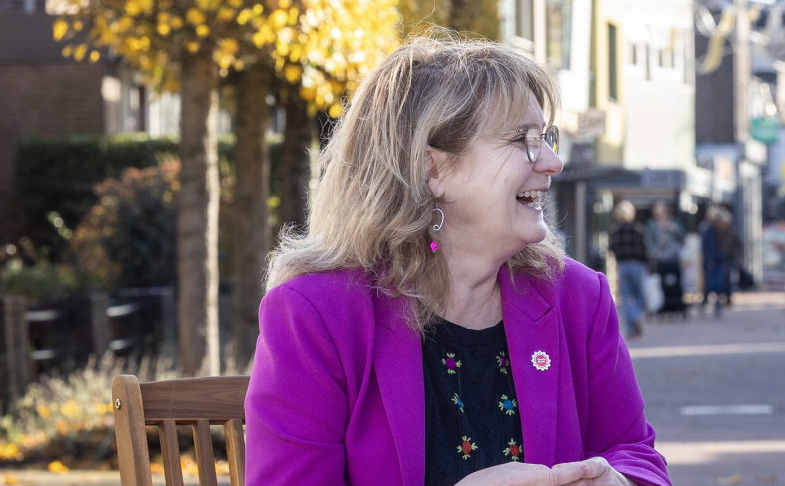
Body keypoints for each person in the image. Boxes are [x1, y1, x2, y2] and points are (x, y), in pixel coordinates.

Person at [247, 37, 669, 486]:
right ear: (433, 170)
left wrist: (616, 481)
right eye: (523, 140)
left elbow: (636, 454)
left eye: (545, 138)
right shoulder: (316, 315)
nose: (552, 161)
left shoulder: (577, 298)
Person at [608, 201, 649, 338]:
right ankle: (636, 316)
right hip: (637, 264)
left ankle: (631, 329)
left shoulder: (615, 231)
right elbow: (645, 248)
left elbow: (611, 249)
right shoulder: (638, 229)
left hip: (623, 265)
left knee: (625, 297)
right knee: (638, 295)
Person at [646, 203, 689, 318]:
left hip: (674, 258)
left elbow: (682, 239)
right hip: (660, 260)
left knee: (676, 283)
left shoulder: (674, 222)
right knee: (662, 284)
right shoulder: (652, 224)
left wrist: (673, 229)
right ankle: (663, 306)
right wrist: (654, 254)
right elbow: (650, 242)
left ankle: (676, 305)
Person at [698, 207, 738, 317]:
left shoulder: (722, 231)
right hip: (712, 262)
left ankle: (716, 304)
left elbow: (731, 244)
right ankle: (707, 303)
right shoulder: (708, 231)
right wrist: (709, 260)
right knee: (711, 284)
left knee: (719, 284)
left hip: (720, 260)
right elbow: (707, 248)